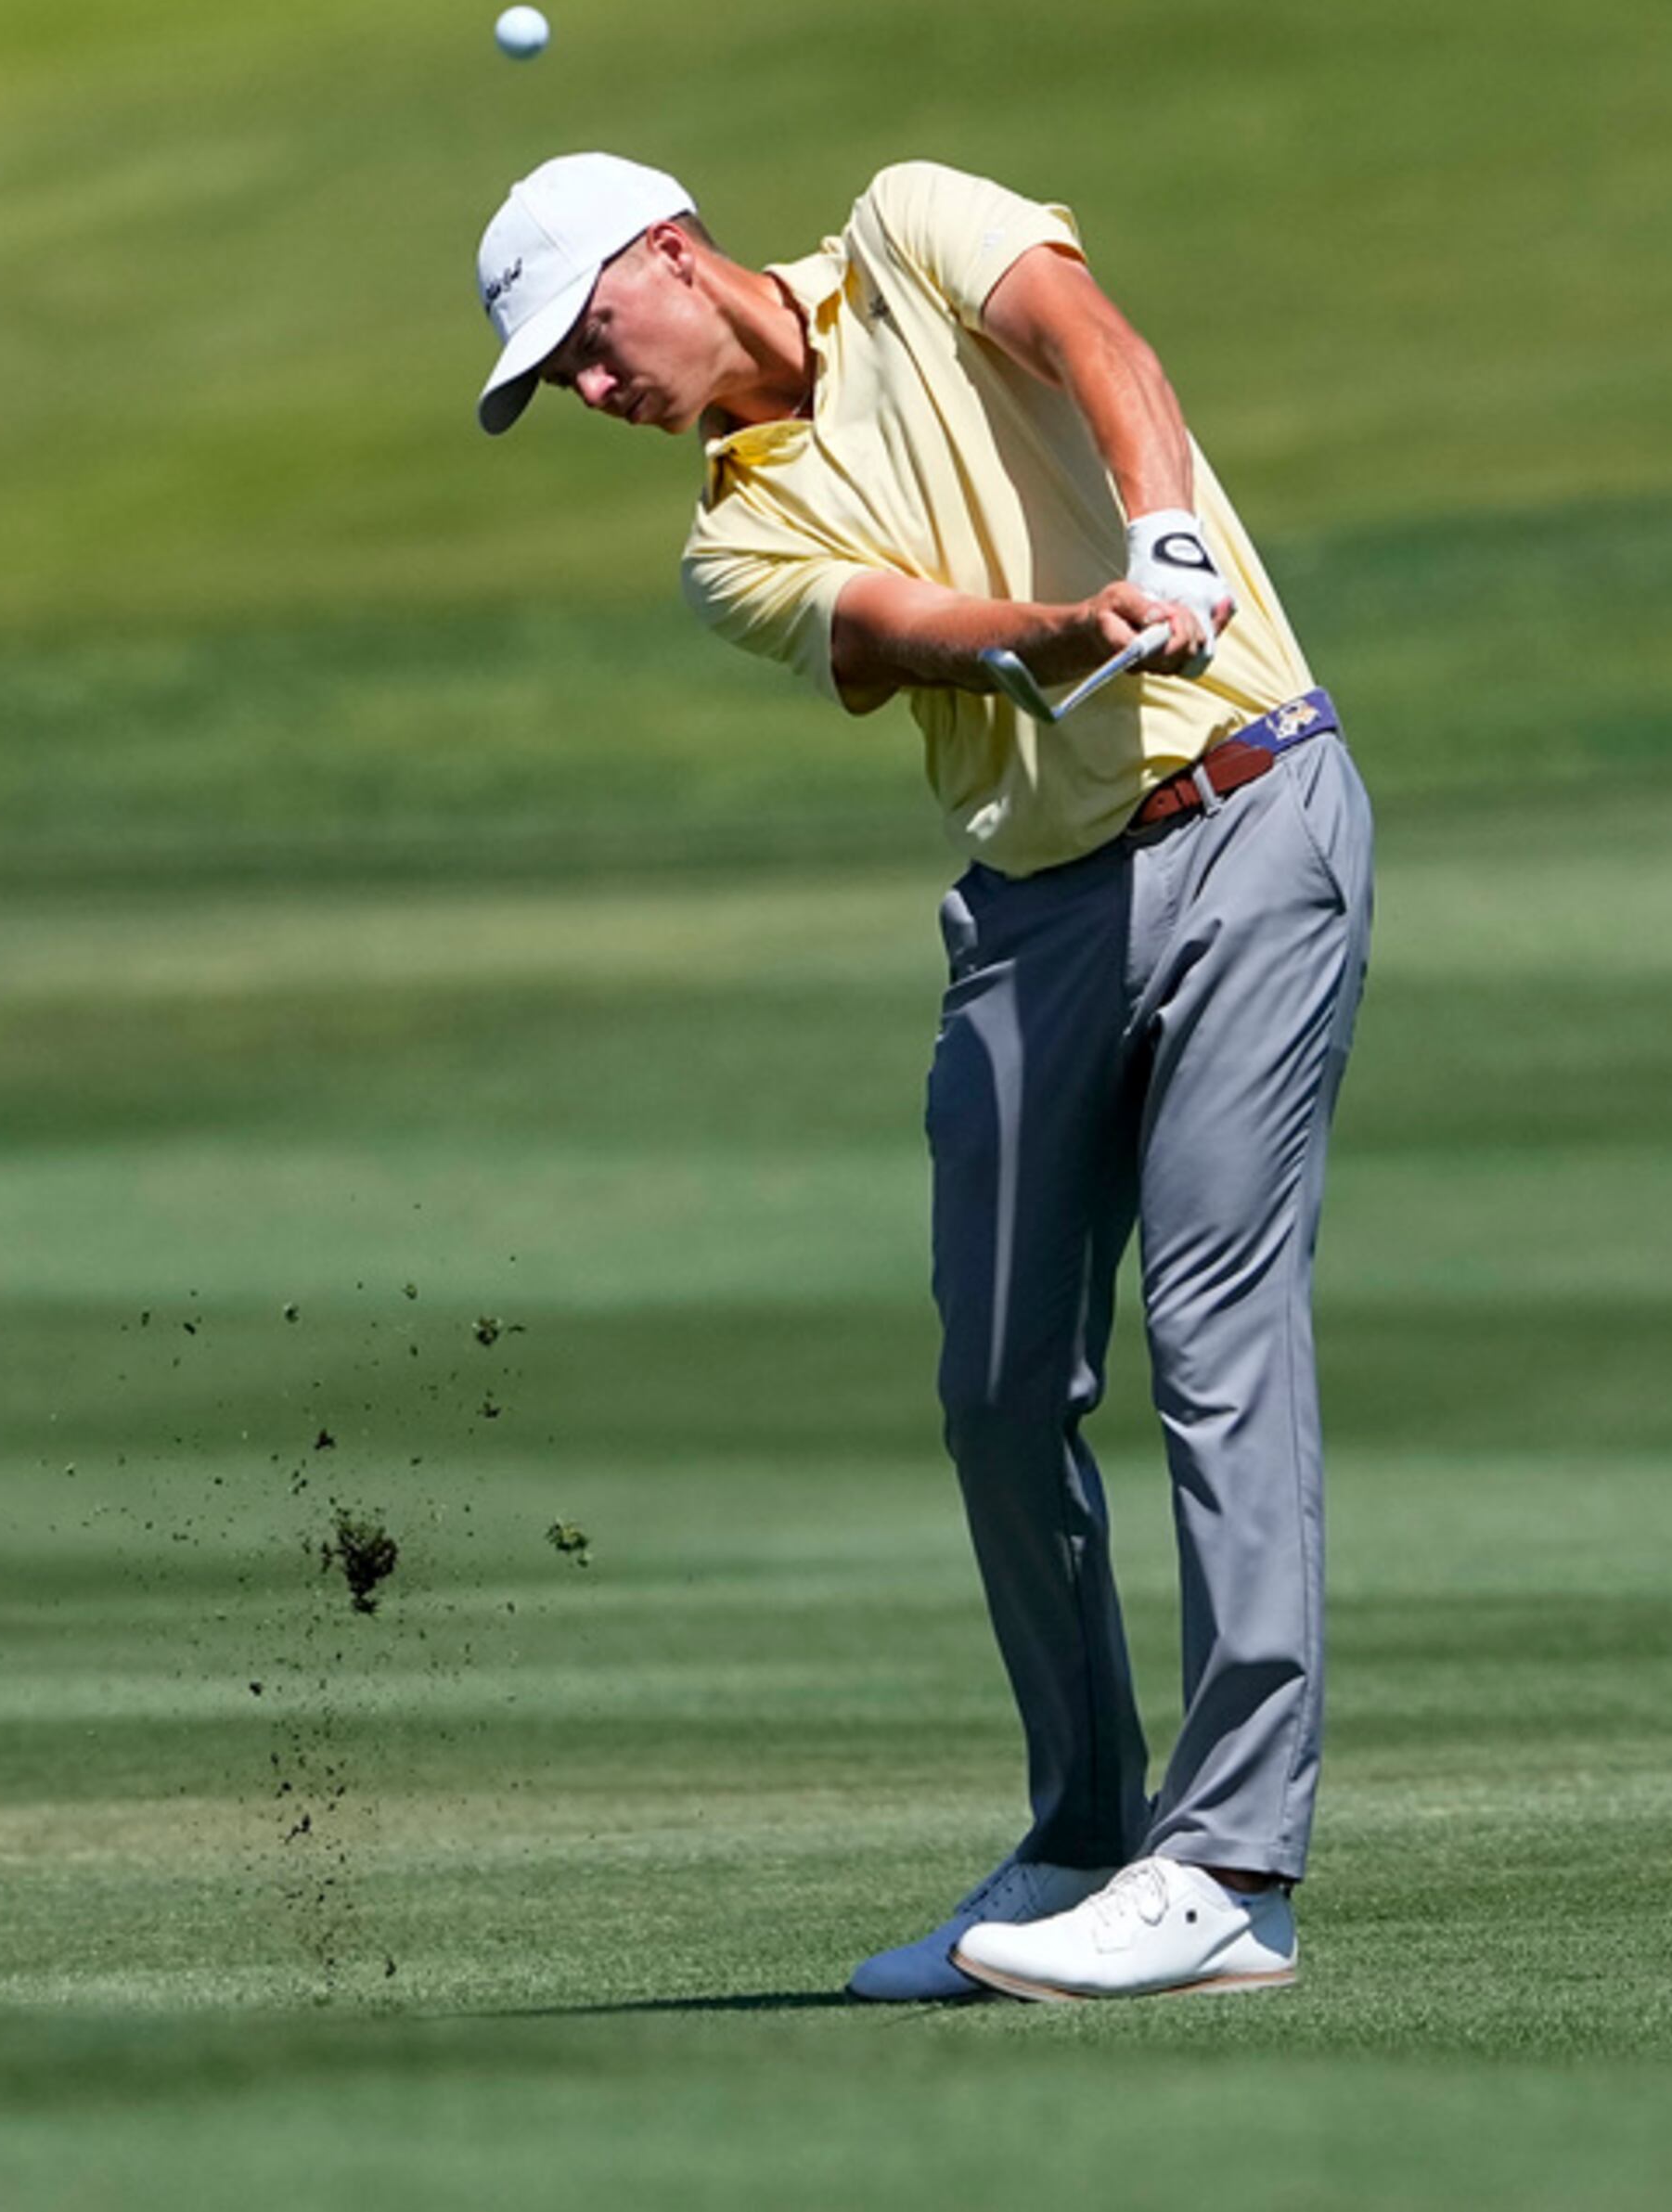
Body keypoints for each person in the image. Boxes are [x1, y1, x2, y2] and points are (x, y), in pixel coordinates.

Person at [472, 153, 1373, 2001]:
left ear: (667, 253)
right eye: (555, 377)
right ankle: (1077, 1838)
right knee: (991, 1382)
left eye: (583, 338)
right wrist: (1053, 632)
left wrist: (1170, 539)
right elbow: (902, 631)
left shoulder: (907, 229)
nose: (587, 389)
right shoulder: (730, 536)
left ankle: (1230, 1868)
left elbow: (1096, 338)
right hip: (1037, 907)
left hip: (1250, 812)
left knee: (1216, 1332)